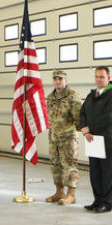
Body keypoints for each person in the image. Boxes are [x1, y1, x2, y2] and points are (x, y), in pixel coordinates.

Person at [78, 66, 112, 213]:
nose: (98, 79)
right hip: (93, 140)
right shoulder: (92, 95)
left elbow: (109, 118)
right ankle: (97, 201)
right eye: (96, 76)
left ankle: (106, 203)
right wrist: (84, 127)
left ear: (108, 78)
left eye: (102, 76)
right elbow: (82, 112)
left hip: (107, 141)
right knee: (95, 173)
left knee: (107, 174)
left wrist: (90, 129)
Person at [45, 70, 83, 205]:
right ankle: (59, 191)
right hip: (54, 136)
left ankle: (71, 194)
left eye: (60, 79)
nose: (57, 81)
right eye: (55, 79)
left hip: (68, 138)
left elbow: (79, 119)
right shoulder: (50, 97)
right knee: (56, 165)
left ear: (65, 80)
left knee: (69, 165)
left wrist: (75, 131)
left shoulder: (72, 97)